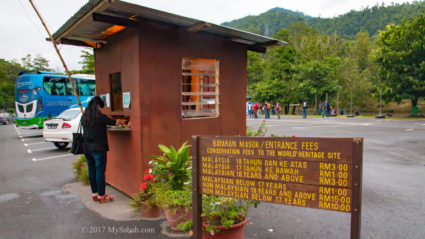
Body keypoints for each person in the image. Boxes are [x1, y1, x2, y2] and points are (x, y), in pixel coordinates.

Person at [81, 96, 123, 203]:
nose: (101, 110)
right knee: (100, 172)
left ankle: (94, 193)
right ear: (98, 106)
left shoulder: (84, 117)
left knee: (92, 170)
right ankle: (102, 195)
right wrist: (121, 121)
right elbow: (115, 122)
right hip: (98, 148)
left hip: (87, 148)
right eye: (101, 107)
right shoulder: (99, 116)